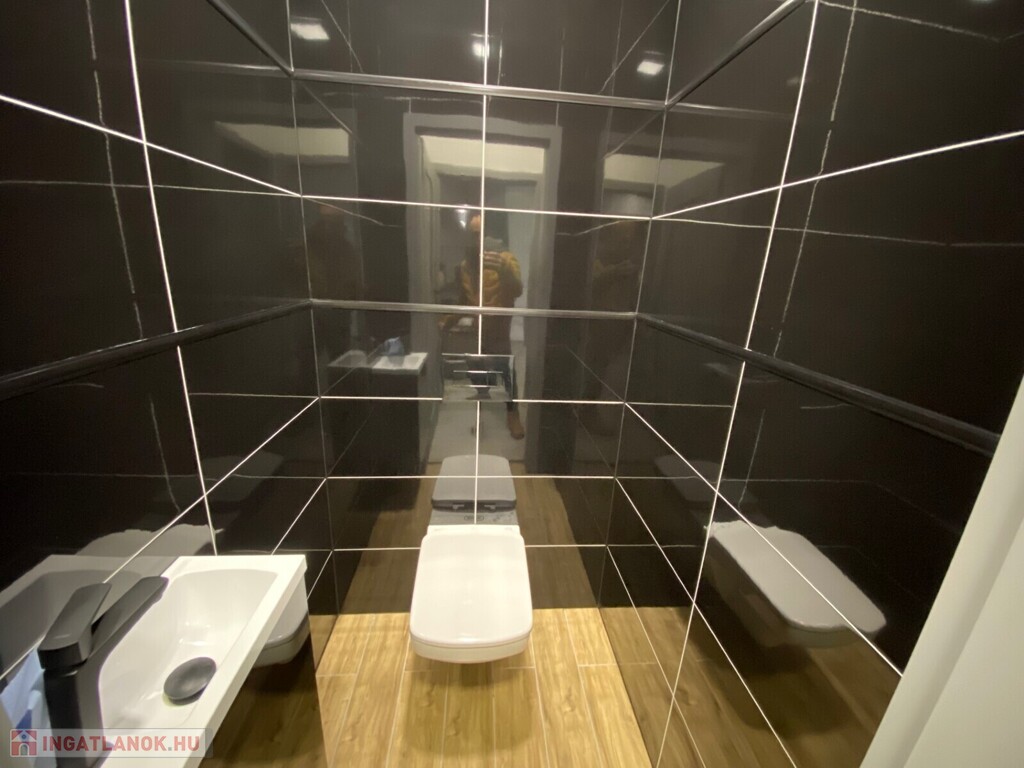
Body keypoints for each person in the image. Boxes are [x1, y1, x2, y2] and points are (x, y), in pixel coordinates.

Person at [444, 214, 525, 439]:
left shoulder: (505, 259)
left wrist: (504, 271)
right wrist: (449, 319)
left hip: (499, 329)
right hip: (478, 330)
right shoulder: (465, 266)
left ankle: (513, 414)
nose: (477, 239)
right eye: (473, 235)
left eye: (480, 234)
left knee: (506, 372)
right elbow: (464, 299)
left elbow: (517, 290)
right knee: (477, 372)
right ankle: (480, 412)